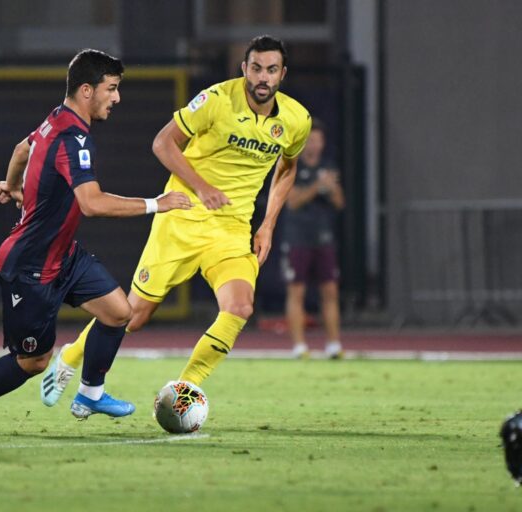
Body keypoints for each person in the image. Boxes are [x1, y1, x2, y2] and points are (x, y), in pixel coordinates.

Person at [40, 35, 312, 406]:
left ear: (282, 74)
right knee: (131, 318)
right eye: (256, 68)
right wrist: (201, 188)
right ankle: (70, 356)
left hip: (231, 230)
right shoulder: (216, 100)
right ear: (244, 69)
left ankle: (185, 391)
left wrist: (267, 224)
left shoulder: (297, 119)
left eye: (271, 70)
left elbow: (287, 167)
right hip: (181, 219)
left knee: (239, 307)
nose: (263, 77)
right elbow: (162, 143)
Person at [0, 49, 191, 435]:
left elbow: (23, 150)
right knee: (33, 362)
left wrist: (14, 185)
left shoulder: (57, 118)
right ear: (87, 90)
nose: (117, 98)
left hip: (63, 257)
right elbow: (92, 203)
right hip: (30, 267)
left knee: (120, 312)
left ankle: (90, 393)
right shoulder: (74, 138)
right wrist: (158, 203)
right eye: (112, 89)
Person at [281, 120, 345, 359]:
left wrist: (331, 188)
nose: (314, 145)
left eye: (318, 140)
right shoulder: (291, 166)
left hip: (324, 237)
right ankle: (299, 346)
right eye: (310, 140)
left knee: (330, 290)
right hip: (297, 237)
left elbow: (340, 203)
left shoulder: (328, 166)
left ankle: (334, 344)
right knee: (296, 291)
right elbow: (293, 201)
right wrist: (318, 186)